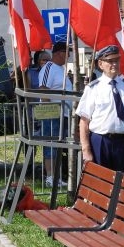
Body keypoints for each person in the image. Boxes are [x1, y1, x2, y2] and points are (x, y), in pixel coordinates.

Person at [76, 45, 124, 174]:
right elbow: (84, 121)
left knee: (123, 185)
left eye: (117, 60)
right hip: (100, 142)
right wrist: (86, 149)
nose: (114, 64)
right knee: (100, 184)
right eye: (110, 61)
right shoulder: (93, 88)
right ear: (101, 64)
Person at [38, 41, 72, 187]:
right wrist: (48, 111)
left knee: (57, 145)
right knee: (50, 145)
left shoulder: (61, 69)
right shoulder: (49, 67)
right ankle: (50, 176)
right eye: (67, 52)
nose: (68, 56)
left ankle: (56, 176)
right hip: (51, 113)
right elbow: (43, 89)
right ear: (59, 53)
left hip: (62, 113)